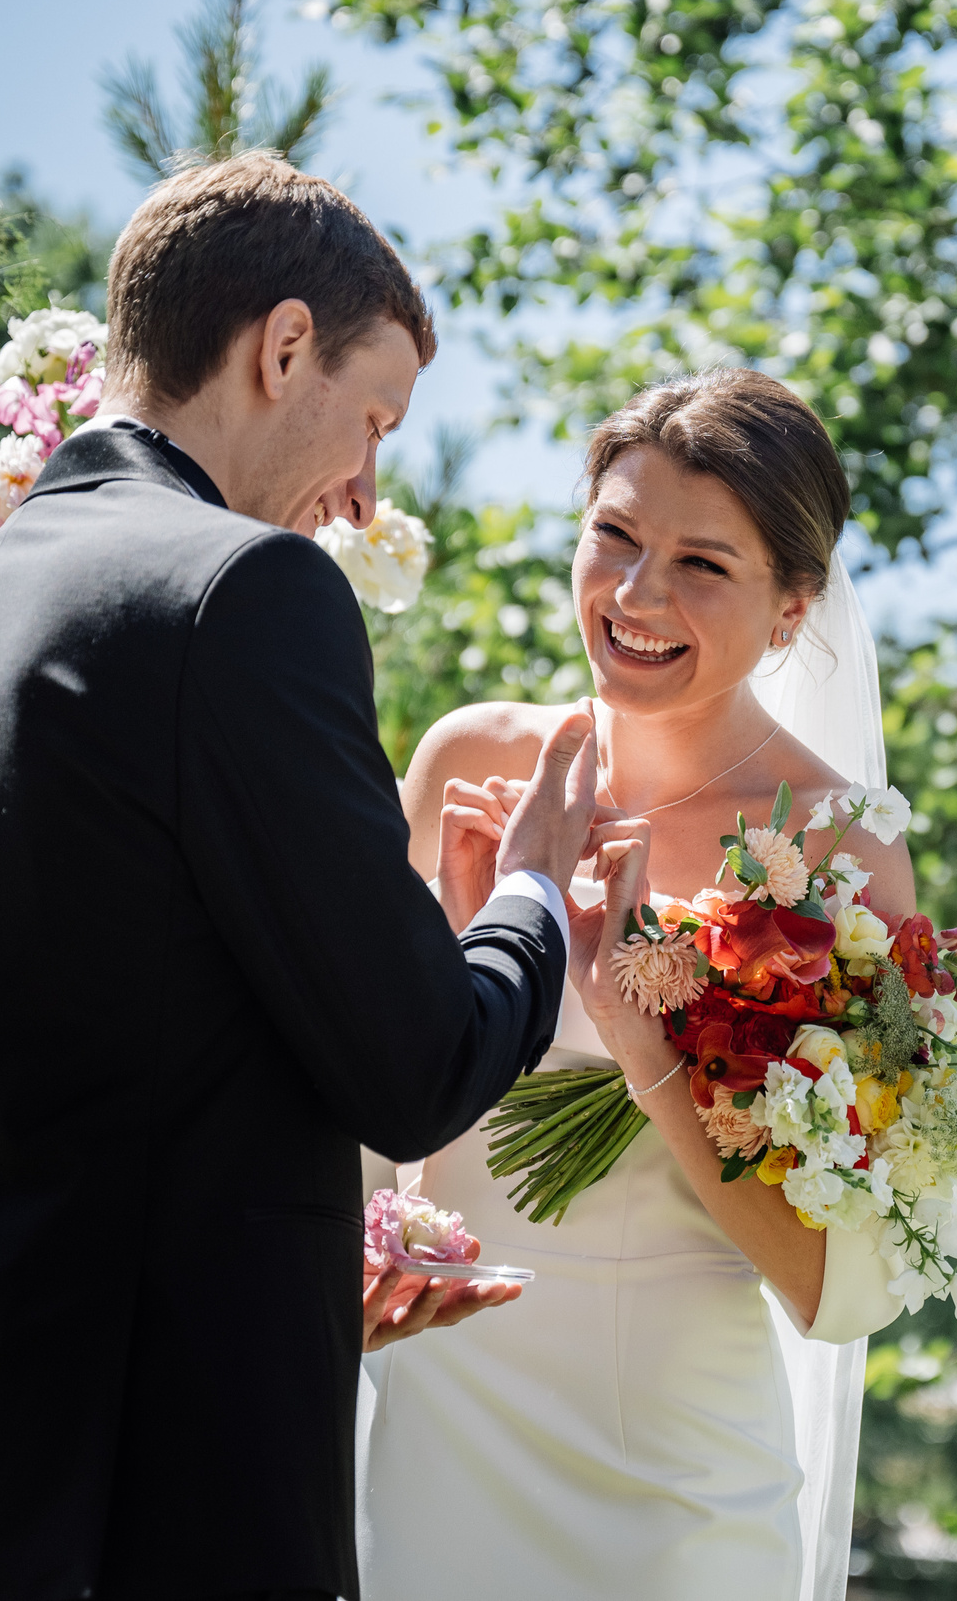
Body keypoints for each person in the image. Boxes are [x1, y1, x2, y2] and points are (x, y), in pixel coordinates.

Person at [0, 152, 650, 1601]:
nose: (365, 490)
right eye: (373, 418)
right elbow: (421, 1062)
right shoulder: (243, 590)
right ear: (284, 344)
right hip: (142, 1535)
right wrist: (536, 896)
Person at [358, 368, 911, 1600]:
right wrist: (466, 947)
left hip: (674, 1472)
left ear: (790, 609)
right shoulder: (469, 756)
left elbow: (837, 1282)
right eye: (613, 534)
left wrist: (641, 1033)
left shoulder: (838, 849)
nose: (636, 593)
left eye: (703, 564)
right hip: (442, 1418)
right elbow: (372, 1128)